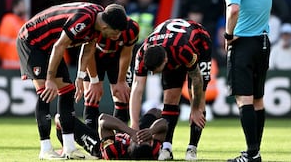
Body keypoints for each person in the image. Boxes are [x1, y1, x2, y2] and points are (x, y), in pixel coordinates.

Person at [16, 2, 128, 160]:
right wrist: (49, 79)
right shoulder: (83, 20)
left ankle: (69, 148)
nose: (116, 37)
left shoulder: (99, 20)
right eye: (116, 33)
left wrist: (81, 76)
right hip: (33, 41)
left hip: (51, 46)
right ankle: (45, 149)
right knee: (45, 92)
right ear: (106, 26)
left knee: (67, 91)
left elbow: (88, 48)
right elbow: (60, 46)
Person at [129, 18, 212, 160]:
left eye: (156, 70)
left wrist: (195, 108)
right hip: (169, 43)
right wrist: (134, 124)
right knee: (170, 99)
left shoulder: (182, 50)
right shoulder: (142, 53)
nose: (154, 73)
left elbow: (197, 79)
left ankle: (192, 148)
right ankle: (166, 147)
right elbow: (137, 88)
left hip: (199, 42)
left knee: (199, 99)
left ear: (165, 61)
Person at [219, 0, 273, 161]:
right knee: (258, 99)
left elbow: (233, 10)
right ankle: (255, 152)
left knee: (244, 99)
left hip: (243, 45)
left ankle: (251, 154)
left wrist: (227, 35)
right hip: (264, 42)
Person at [82, 17, 139, 130]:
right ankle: (93, 139)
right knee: (91, 96)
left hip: (117, 60)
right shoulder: (93, 26)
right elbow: (88, 53)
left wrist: (121, 81)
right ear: (105, 26)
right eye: (114, 31)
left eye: (119, 32)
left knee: (122, 96)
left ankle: (120, 137)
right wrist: (94, 81)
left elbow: (126, 54)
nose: (117, 35)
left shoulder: (132, 29)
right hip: (95, 58)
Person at [99, 108, 168, 160]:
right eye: (146, 140)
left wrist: (131, 132)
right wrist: (151, 131)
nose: (142, 137)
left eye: (139, 139)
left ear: (129, 149)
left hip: (116, 135)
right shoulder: (153, 150)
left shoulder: (113, 151)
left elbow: (102, 118)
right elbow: (164, 123)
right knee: (156, 111)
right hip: (129, 131)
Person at [0, 0, 27, 69]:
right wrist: (0, 57)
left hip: (22, 65)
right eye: (22, 5)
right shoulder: (8, 20)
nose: (24, 8)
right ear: (15, 7)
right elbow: (1, 43)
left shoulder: (24, 22)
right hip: (9, 64)